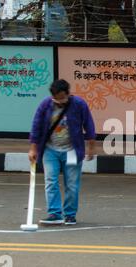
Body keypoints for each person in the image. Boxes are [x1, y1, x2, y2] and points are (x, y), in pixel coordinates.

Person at [28, 79, 96, 226]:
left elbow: (89, 124)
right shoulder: (46, 105)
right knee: (50, 181)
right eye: (56, 99)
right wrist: (33, 148)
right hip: (50, 150)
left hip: (72, 150)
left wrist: (91, 146)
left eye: (62, 98)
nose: (59, 102)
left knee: (71, 184)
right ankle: (54, 213)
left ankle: (70, 215)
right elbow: (36, 126)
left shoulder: (78, 104)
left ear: (68, 94)